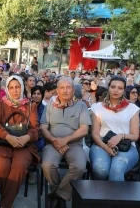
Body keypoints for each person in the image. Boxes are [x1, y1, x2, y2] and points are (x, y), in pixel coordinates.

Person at [0, 75, 39, 207]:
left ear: (22, 87)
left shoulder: (30, 106)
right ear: (7, 89)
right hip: (2, 142)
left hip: (24, 144)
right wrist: (7, 136)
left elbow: (35, 129)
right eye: (11, 88)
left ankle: (4, 204)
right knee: (1, 167)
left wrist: (27, 137)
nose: (15, 90)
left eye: (17, 87)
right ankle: (8, 203)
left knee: (19, 166)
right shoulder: (1, 103)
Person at [40, 77, 91, 208]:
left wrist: (65, 140)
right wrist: (54, 141)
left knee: (79, 166)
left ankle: (58, 195)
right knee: (47, 165)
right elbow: (43, 127)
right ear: (57, 90)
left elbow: (84, 129)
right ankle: (60, 196)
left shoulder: (81, 106)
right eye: (62, 88)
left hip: (74, 144)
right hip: (53, 143)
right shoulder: (50, 106)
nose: (65, 91)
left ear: (73, 90)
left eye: (68, 87)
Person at [90, 77, 140, 181]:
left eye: (120, 88)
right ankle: (100, 196)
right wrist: (105, 147)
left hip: (126, 146)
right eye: (113, 87)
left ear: (124, 90)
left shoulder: (132, 108)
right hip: (101, 144)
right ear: (108, 88)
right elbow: (95, 133)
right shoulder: (97, 107)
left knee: (117, 170)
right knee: (101, 169)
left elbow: (135, 135)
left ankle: (115, 197)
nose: (116, 90)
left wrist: (121, 136)